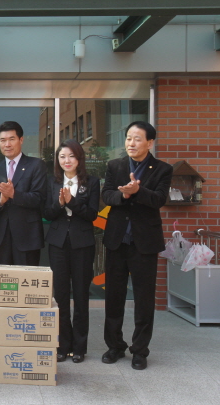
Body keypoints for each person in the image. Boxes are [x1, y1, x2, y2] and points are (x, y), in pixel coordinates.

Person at [101, 121, 173, 370]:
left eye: (137, 139)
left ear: (150, 142)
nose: (131, 143)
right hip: (117, 241)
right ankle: (114, 346)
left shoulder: (162, 169)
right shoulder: (115, 165)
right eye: (128, 138)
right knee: (114, 296)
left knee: (144, 298)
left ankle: (140, 350)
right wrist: (124, 194)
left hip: (144, 243)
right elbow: (106, 195)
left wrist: (137, 191)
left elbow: (159, 200)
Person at [43, 139, 100, 364]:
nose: (66, 161)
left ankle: (79, 347)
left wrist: (72, 202)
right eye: (62, 157)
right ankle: (62, 345)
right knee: (61, 296)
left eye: (71, 156)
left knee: (81, 295)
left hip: (82, 244)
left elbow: (92, 214)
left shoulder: (91, 182)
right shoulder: (51, 182)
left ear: (79, 159)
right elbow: (47, 213)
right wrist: (59, 203)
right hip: (58, 243)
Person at [0, 121, 46, 269]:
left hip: (27, 236)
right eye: (3, 140)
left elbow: (39, 198)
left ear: (21, 140)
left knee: (26, 284)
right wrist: (1, 200)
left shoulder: (36, 165)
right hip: (1, 237)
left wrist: (14, 194)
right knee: (3, 286)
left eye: (11, 139)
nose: (7, 144)